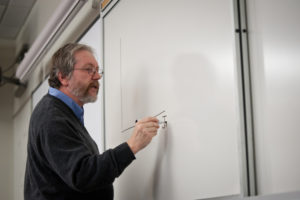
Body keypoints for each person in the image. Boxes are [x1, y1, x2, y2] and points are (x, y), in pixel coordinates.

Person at [24, 43, 159, 200]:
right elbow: (82, 175)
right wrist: (131, 147)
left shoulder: (62, 112)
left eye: (97, 70)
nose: (97, 77)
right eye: (89, 70)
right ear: (63, 77)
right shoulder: (52, 117)